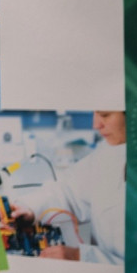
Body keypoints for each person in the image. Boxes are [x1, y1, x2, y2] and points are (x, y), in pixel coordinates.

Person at [12, 111, 125, 265]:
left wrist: (82, 257)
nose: (96, 124)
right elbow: (69, 191)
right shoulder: (112, 151)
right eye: (95, 113)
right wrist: (30, 210)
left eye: (105, 115)